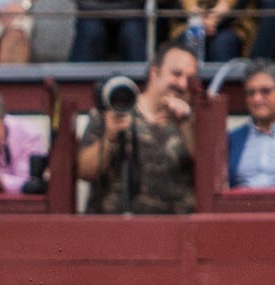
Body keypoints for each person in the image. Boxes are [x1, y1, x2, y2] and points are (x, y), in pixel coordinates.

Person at [77, 42, 197, 214]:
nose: (183, 84)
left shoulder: (193, 121)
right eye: (176, 74)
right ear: (154, 72)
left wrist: (187, 125)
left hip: (174, 233)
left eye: (190, 78)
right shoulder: (114, 109)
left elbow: (210, 176)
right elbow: (84, 172)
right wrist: (109, 137)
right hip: (113, 231)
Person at [228, 59, 275, 189]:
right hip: (242, 206)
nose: (257, 99)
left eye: (265, 91)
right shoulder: (233, 138)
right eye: (251, 93)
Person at [170, 0, 257, 62]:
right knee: (189, 38)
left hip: (234, 23)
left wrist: (214, 19)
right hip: (191, 20)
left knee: (222, 44)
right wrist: (198, 18)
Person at [68, 0, 148, 61]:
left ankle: (144, 80)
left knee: (133, 33)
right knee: (91, 32)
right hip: (89, 9)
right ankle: (77, 79)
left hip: (133, 10)